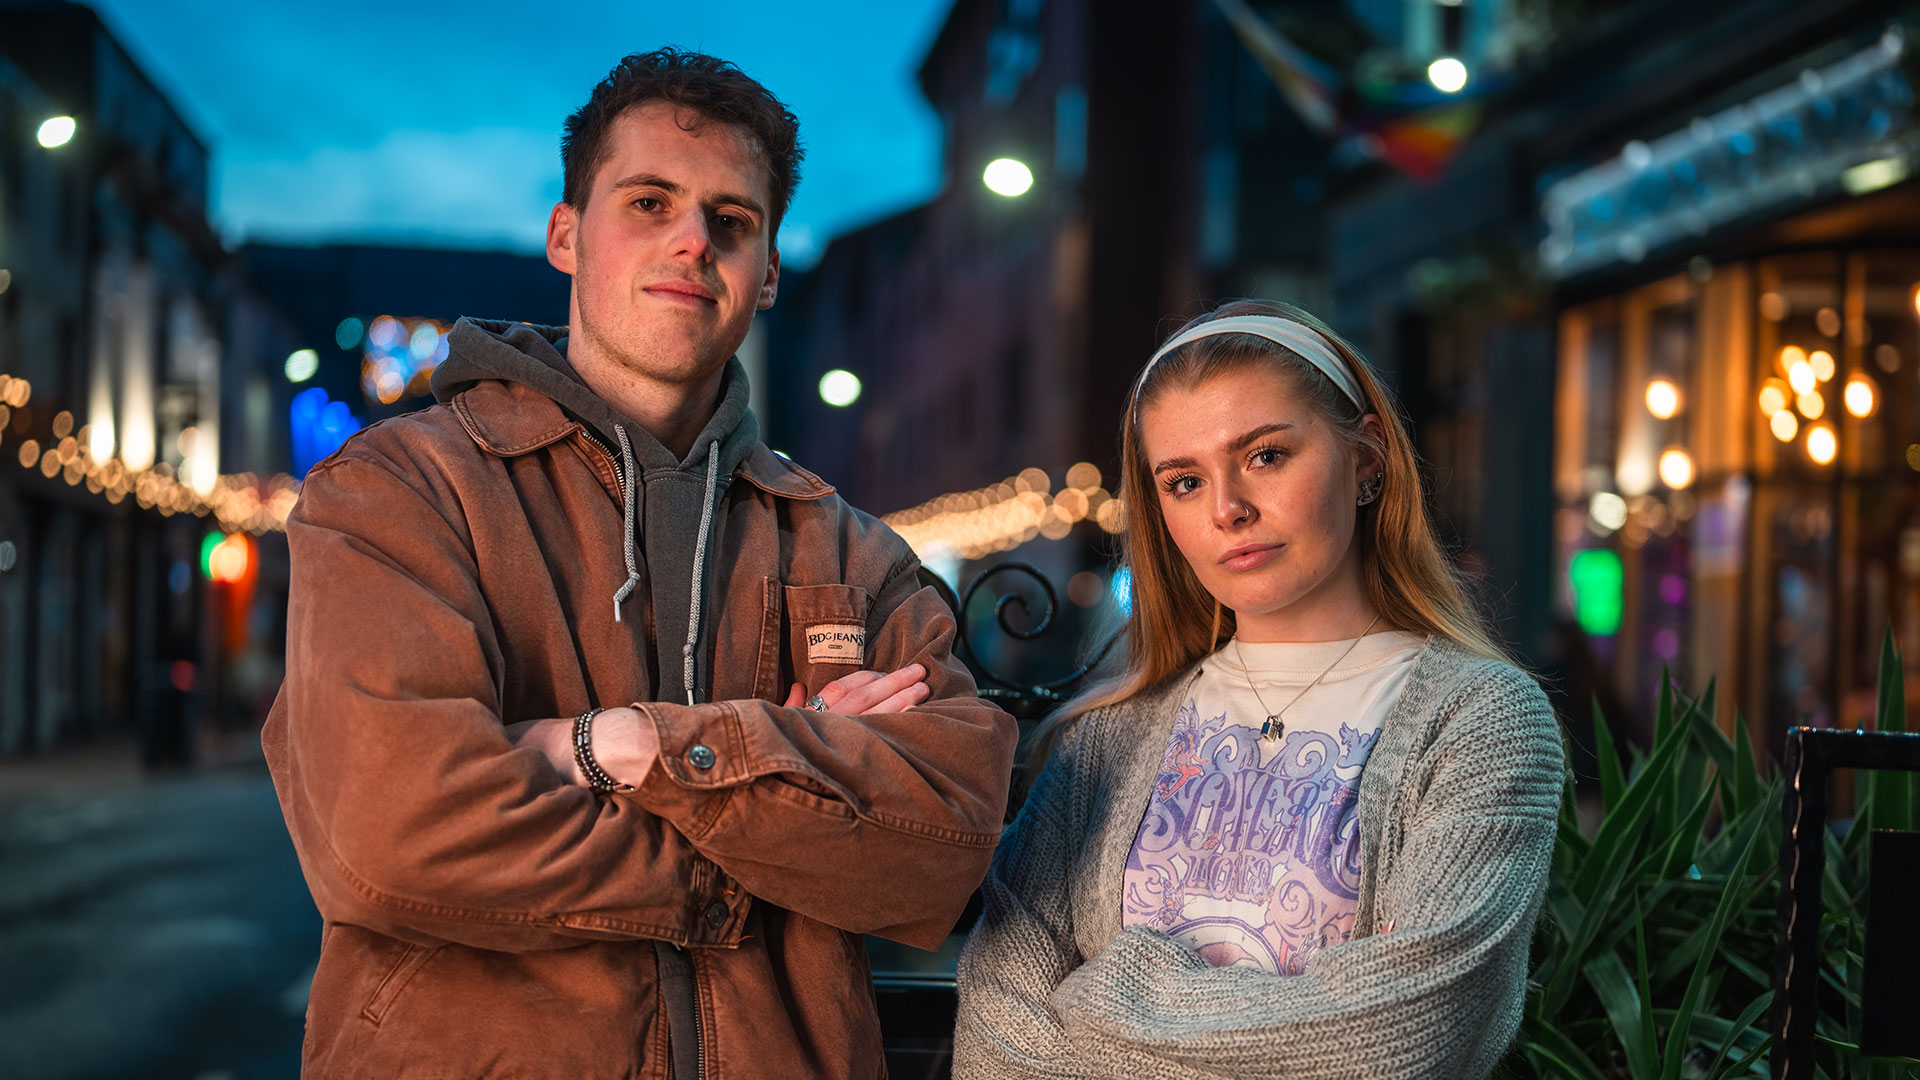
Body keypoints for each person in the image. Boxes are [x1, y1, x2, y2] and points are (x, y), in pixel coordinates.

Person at [262, 48, 1016, 1079]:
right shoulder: (400, 491)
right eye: (650, 201)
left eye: (732, 221)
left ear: (768, 274)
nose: (693, 242)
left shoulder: (848, 547)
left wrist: (619, 748)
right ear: (567, 235)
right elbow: (393, 837)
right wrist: (788, 796)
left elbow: (944, 842)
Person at [953, 299, 1563, 1079]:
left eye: (1267, 455)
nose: (1227, 509)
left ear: (1368, 459)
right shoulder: (1108, 738)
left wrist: (1108, 992)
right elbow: (997, 1041)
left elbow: (1407, 1038)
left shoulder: (1481, 722)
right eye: (1182, 481)